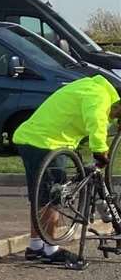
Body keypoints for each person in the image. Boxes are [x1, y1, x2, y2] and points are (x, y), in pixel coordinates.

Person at [12, 73, 120, 268]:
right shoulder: (99, 96)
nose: (114, 119)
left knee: (41, 198)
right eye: (117, 116)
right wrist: (100, 150)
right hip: (47, 143)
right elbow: (95, 121)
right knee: (53, 198)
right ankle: (50, 250)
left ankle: (36, 246)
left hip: (33, 139)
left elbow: (101, 120)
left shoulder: (92, 88)